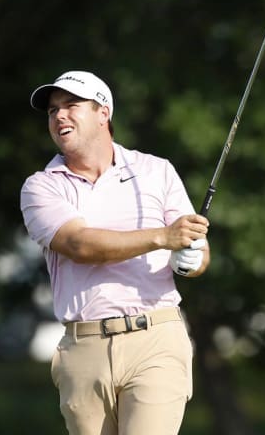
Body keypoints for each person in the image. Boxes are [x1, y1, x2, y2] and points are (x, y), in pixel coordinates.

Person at [19, 70, 211, 435]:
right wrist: (162, 238)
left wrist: (192, 259)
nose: (59, 116)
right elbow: (80, 245)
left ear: (103, 112)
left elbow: (197, 251)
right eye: (52, 110)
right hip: (84, 345)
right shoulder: (41, 187)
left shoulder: (157, 172)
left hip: (155, 337)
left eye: (71, 105)